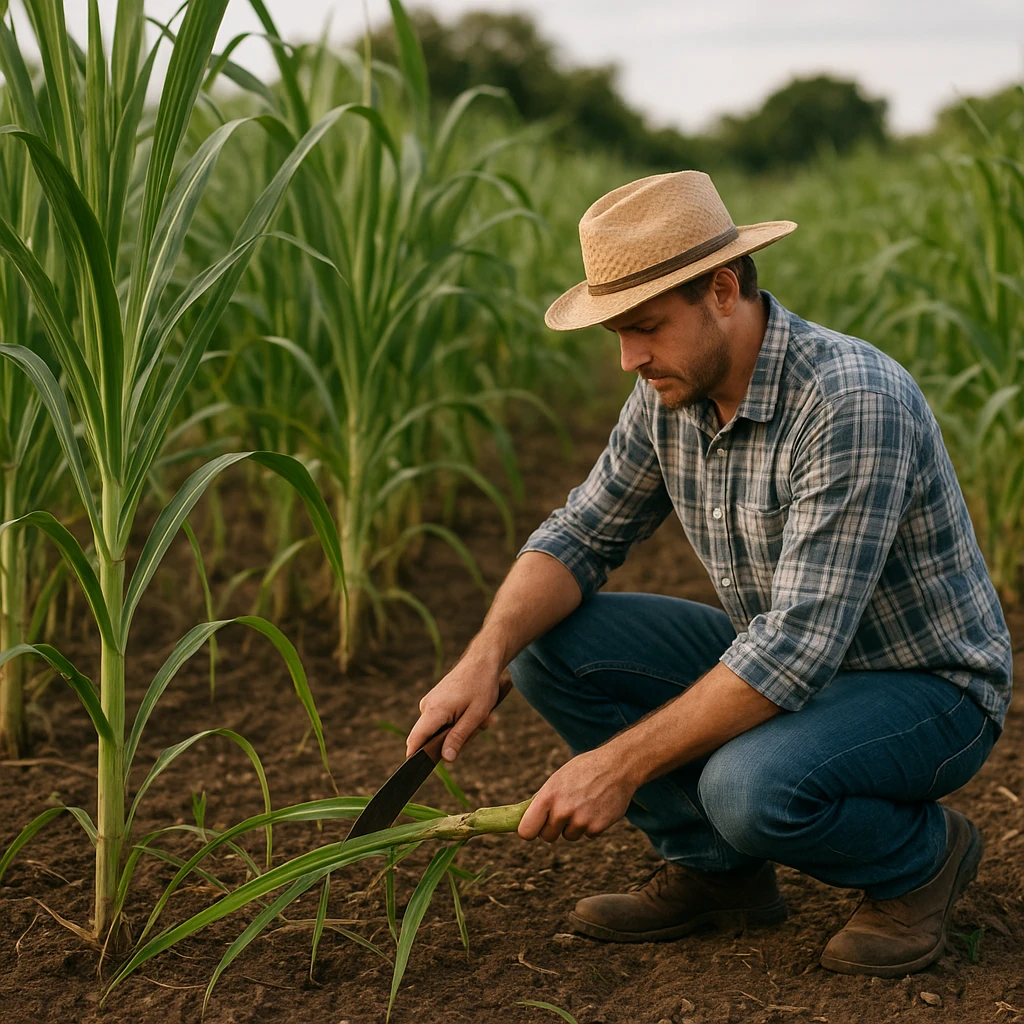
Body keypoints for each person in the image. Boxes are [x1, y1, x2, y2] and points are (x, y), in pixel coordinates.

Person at [403, 171, 1013, 977]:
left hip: (926, 689)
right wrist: (477, 663)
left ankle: (922, 861)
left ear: (723, 290)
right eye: (616, 332)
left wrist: (616, 766)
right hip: (792, 666)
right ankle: (719, 874)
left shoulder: (850, 400)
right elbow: (579, 534)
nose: (628, 359)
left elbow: (794, 649)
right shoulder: (671, 393)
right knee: (543, 644)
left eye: (646, 327)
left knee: (746, 787)